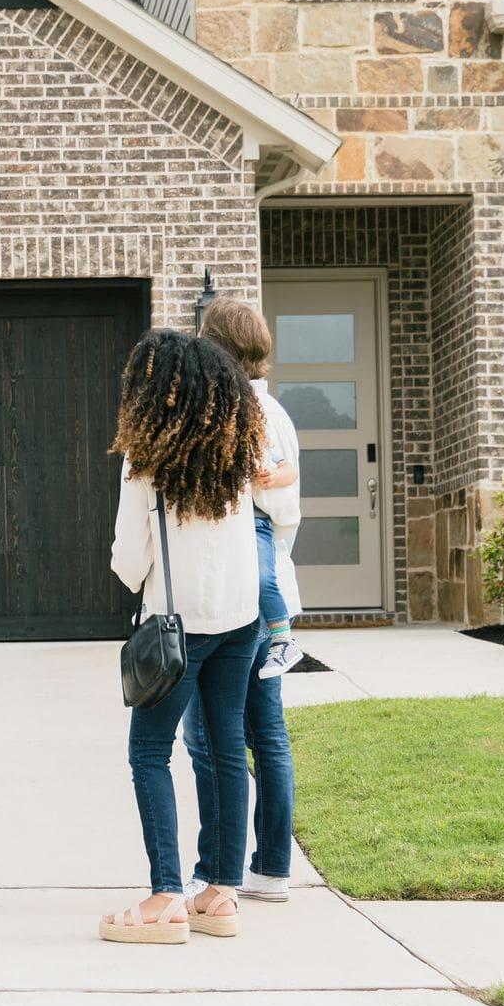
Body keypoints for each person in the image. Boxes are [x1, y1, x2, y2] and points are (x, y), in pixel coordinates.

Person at [102, 330, 265, 945]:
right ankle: (221, 892)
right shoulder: (237, 449)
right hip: (239, 618)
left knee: (149, 751)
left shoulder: (147, 458)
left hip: (177, 624)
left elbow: (126, 559)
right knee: (226, 747)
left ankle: (166, 896)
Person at [185, 298, 303, 903]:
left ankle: (217, 870)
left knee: (209, 737)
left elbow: (267, 501)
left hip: (236, 591)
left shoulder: (236, 408)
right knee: (267, 732)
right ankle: (272, 868)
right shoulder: (275, 410)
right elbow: (286, 507)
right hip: (268, 577)